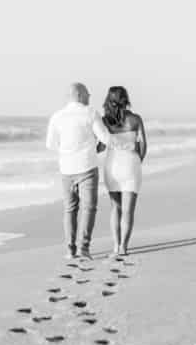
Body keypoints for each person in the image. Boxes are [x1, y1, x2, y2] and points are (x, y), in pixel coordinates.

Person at [44, 82, 100, 262]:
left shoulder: (57, 116)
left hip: (66, 169)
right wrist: (96, 147)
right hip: (87, 167)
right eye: (88, 94)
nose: (90, 97)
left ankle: (70, 249)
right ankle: (84, 248)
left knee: (70, 209)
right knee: (88, 207)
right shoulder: (90, 113)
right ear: (81, 95)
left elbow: (50, 145)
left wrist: (67, 151)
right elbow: (105, 137)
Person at [93, 85, 148, 258]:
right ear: (126, 99)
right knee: (128, 210)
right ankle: (124, 247)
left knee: (115, 208)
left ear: (108, 100)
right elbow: (143, 145)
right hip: (131, 165)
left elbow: (100, 148)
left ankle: (116, 246)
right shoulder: (136, 119)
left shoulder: (104, 121)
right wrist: (138, 160)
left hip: (112, 166)